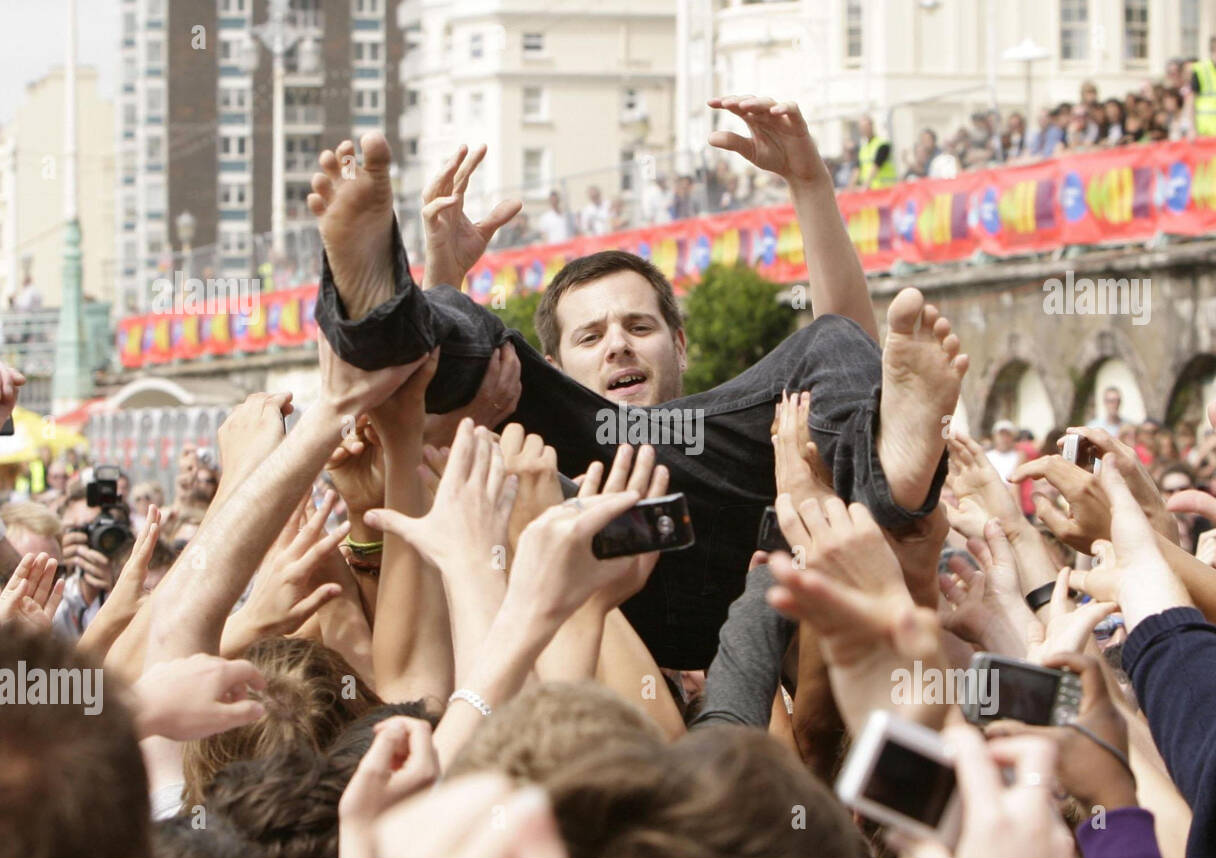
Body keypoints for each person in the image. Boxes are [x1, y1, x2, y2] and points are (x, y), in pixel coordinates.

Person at [305, 99, 966, 671]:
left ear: (679, 344)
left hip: (746, 571)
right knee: (479, 341)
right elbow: (426, 431)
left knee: (832, 346)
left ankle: (891, 489)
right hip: (594, 568)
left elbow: (845, 359)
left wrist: (810, 183)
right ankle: (379, 311)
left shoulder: (748, 433)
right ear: (556, 372)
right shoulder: (521, 430)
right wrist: (444, 279)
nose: (618, 342)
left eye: (639, 326)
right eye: (590, 338)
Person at [855, 115, 896, 189]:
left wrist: (865, 186)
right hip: (871, 190)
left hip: (885, 189)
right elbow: (857, 169)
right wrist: (850, 188)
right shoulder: (863, 149)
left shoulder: (882, 144)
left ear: (871, 126)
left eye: (865, 127)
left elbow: (876, 166)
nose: (864, 130)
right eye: (862, 128)